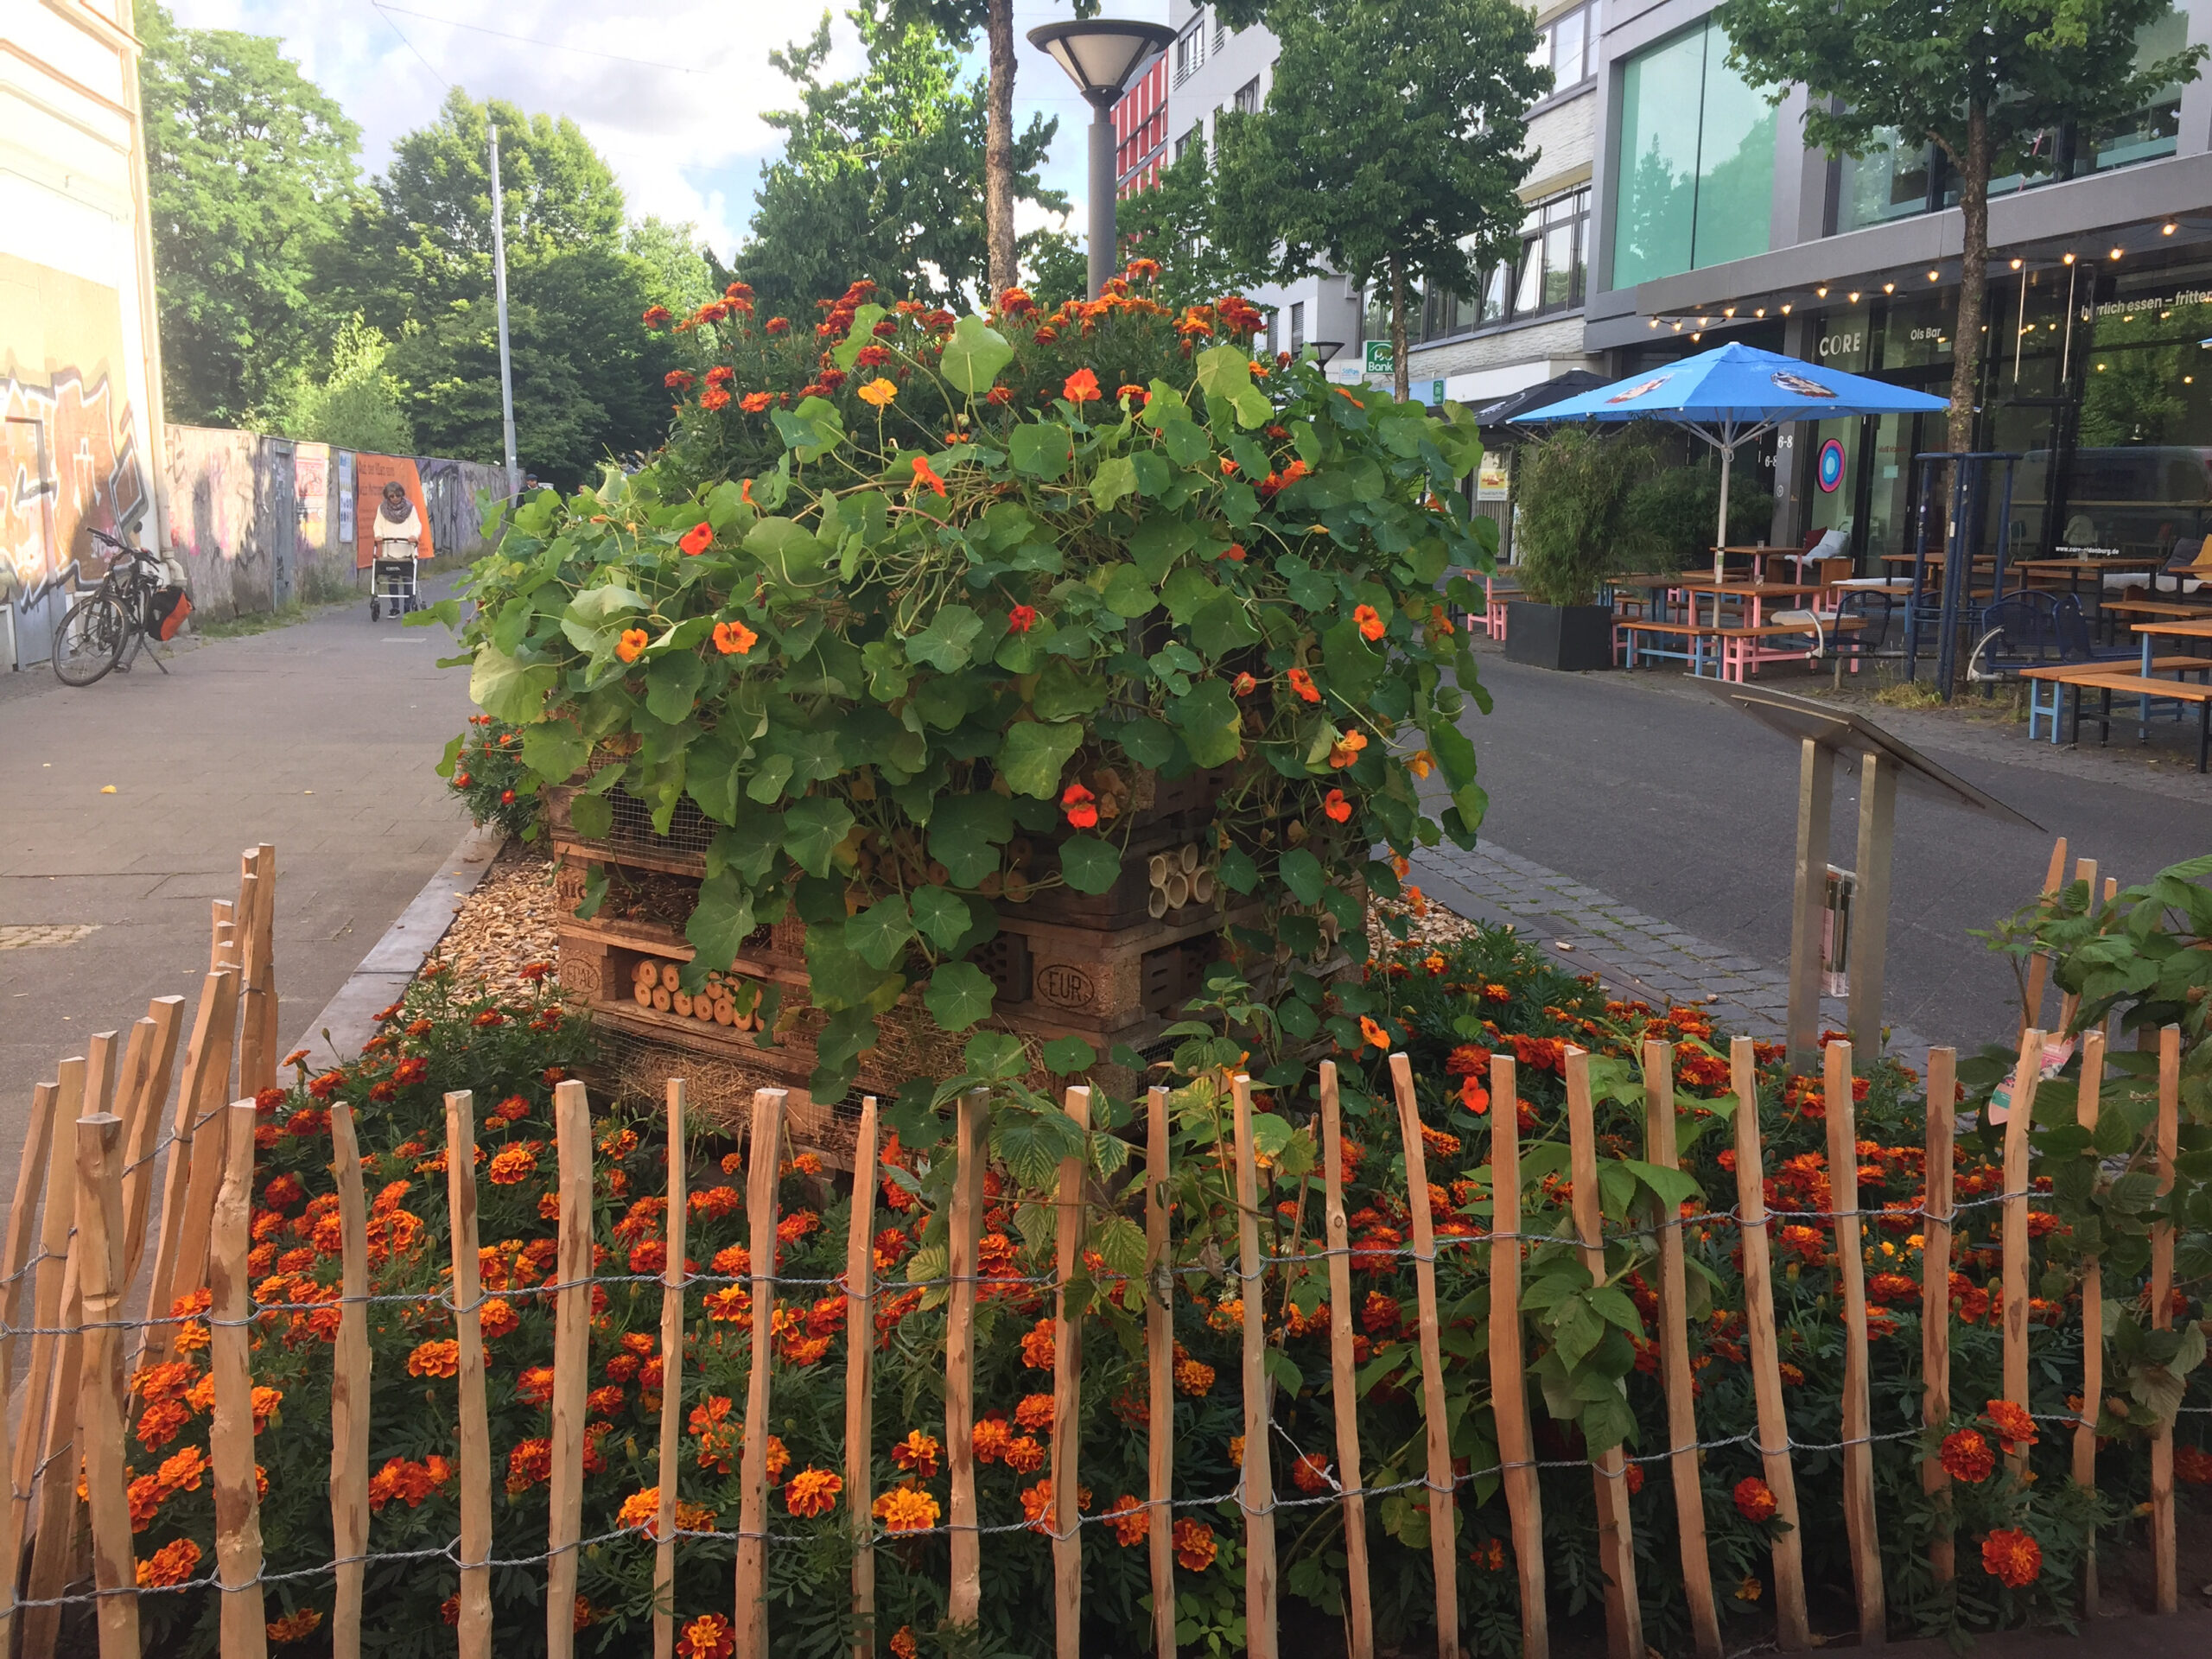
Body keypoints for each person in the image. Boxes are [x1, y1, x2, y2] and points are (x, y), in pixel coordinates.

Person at [372, 480, 422, 560]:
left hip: (407, 548)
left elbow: (417, 525)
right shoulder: (382, 509)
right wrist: (378, 535)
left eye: (398, 495)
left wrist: (414, 535)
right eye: (392, 496)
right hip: (389, 549)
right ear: (387, 497)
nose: (395, 498)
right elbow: (378, 525)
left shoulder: (410, 508)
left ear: (402, 494)